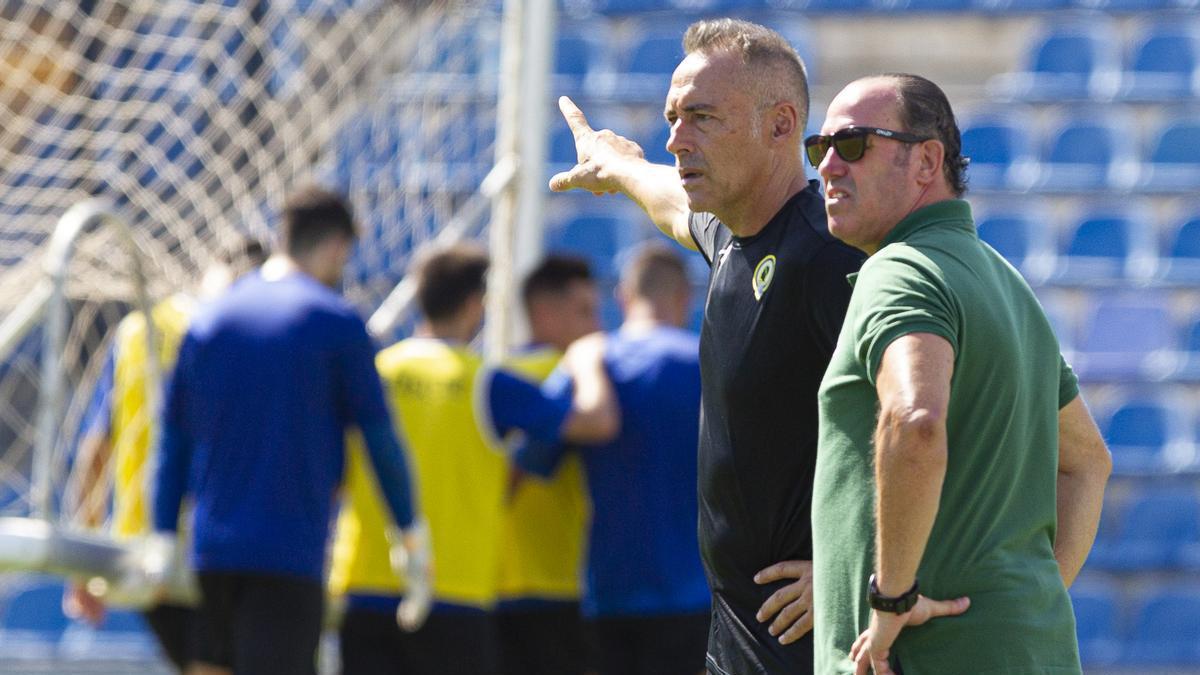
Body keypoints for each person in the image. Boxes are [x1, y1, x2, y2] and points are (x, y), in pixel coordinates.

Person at [549, 17, 864, 673]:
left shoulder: (829, 256)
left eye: (700, 117)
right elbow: (670, 204)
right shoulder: (730, 238)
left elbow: (929, 421)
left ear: (782, 126)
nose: (675, 140)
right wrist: (619, 165)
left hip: (809, 633)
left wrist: (854, 566)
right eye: (671, 118)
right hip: (735, 627)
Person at [807, 73, 1112, 675]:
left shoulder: (901, 270)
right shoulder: (1005, 281)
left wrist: (890, 601)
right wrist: (1021, 601)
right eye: (820, 149)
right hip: (1029, 649)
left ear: (927, 161)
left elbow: (914, 419)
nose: (828, 168)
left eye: (854, 145)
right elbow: (1088, 463)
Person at [153, 185, 427, 675]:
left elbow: (173, 442)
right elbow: (380, 440)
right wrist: (410, 532)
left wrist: (161, 533)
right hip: (288, 557)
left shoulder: (209, 320)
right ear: (337, 246)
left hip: (212, 555)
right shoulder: (336, 324)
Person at [328, 245, 615, 675]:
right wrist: (588, 358)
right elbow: (595, 423)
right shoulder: (487, 381)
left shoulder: (376, 372)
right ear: (473, 305)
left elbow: (334, 475)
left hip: (364, 583)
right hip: (455, 591)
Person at [63, 237, 266, 673]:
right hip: (223, 553)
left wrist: (83, 560)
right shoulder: (253, 338)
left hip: (142, 555)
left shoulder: (139, 330)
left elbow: (97, 447)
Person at [512, 242, 710, 675]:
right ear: (685, 298)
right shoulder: (711, 363)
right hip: (697, 593)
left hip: (611, 592)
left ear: (622, 298)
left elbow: (532, 460)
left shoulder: (589, 362)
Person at [486, 255, 599, 675]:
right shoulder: (583, 379)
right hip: (560, 583)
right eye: (584, 312)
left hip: (487, 581)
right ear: (544, 313)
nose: (597, 327)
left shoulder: (491, 376)